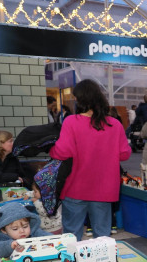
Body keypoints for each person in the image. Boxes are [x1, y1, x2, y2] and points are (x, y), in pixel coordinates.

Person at [49, 79, 131, 239]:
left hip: (75, 188)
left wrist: (51, 149)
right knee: (102, 238)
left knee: (71, 237)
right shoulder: (114, 124)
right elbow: (124, 154)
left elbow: (63, 152)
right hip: (104, 189)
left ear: (79, 100)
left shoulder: (71, 121)